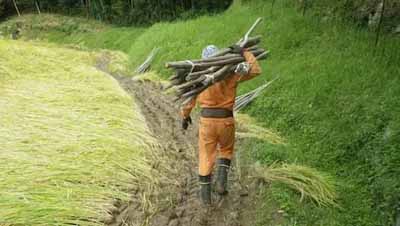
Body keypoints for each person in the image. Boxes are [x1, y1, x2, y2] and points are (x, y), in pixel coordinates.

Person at [180, 44, 262, 205]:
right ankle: (221, 186)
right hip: (226, 122)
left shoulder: (198, 77)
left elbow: (188, 101)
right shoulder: (231, 73)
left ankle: (205, 197)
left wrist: (185, 116)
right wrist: (244, 53)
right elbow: (255, 70)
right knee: (225, 150)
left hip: (207, 123)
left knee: (206, 155)